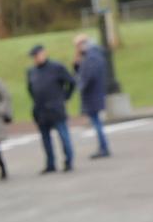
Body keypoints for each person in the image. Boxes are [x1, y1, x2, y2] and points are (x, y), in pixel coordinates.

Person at [26, 44, 76, 173]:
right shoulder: (32, 71)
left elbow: (71, 82)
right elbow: (30, 88)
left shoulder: (56, 67)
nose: (36, 59)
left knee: (63, 135)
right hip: (41, 109)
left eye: (37, 55)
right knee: (45, 138)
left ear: (43, 54)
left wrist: (65, 97)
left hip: (55, 108)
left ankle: (68, 160)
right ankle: (50, 163)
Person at [73, 34, 111, 159]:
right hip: (93, 94)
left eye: (78, 45)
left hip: (93, 94)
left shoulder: (92, 57)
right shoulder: (89, 56)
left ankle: (103, 147)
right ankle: (102, 146)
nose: (77, 48)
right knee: (96, 122)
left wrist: (81, 86)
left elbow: (88, 76)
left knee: (97, 122)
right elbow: (78, 71)